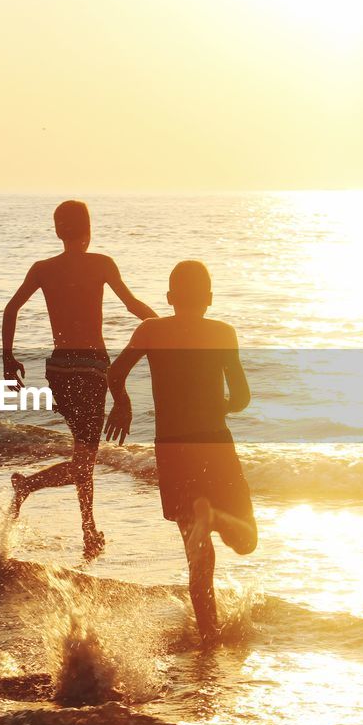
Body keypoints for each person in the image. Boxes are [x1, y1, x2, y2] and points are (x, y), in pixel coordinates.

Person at [103, 260, 257, 645]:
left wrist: (122, 404)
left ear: (169, 298)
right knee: (246, 541)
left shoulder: (151, 330)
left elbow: (114, 373)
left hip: (172, 448)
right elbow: (241, 397)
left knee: (197, 558)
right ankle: (218, 517)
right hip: (215, 444)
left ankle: (210, 639)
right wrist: (221, 405)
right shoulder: (224, 332)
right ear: (209, 297)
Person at [3, 200, 157, 558]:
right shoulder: (102, 263)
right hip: (89, 369)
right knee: (85, 458)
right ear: (90, 230)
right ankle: (35, 490)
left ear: (58, 231)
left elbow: (11, 309)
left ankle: (87, 528)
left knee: (83, 454)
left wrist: (8, 359)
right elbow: (133, 306)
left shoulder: (43, 269)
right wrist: (163, 327)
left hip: (58, 369)